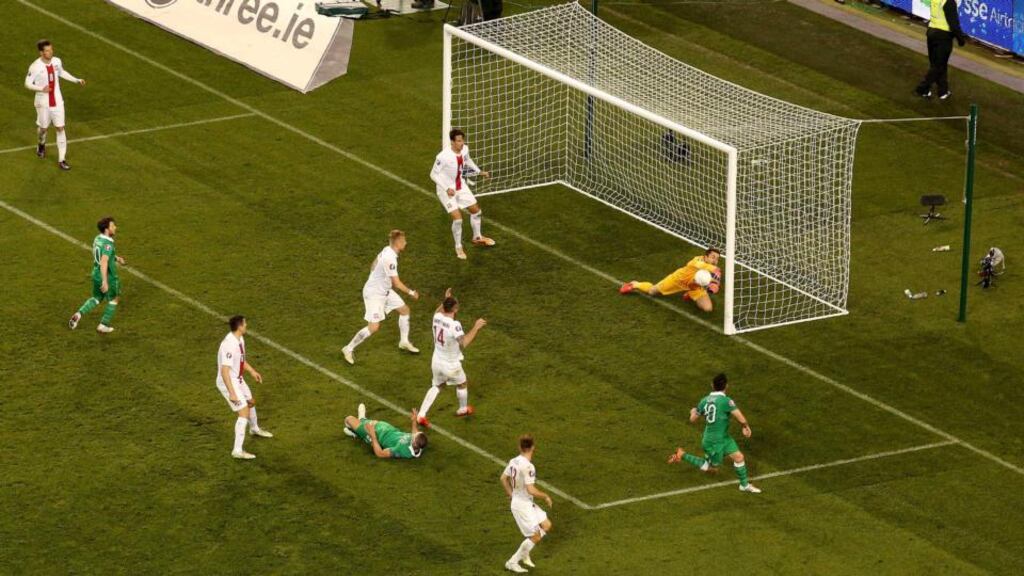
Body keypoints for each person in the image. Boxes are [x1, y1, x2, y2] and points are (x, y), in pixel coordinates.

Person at [668, 373, 760, 494]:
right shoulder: (726, 401)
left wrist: (693, 411)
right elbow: (739, 416)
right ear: (726, 386)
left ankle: (744, 485)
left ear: (712, 385)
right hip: (713, 442)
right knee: (712, 469)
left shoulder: (704, 400)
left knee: (739, 457)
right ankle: (682, 454)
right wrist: (745, 426)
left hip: (723, 438)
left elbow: (693, 419)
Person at [342, 230, 420, 365]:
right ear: (397, 243)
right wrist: (411, 292)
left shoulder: (387, 249)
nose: (406, 243)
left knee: (404, 310)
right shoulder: (390, 258)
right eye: (404, 241)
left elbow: (373, 265)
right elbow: (396, 283)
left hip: (384, 291)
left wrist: (376, 277)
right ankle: (348, 349)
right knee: (373, 327)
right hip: (374, 294)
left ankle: (404, 341)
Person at [416, 288, 487, 427]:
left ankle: (421, 415)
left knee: (437, 385)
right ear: (455, 309)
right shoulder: (455, 325)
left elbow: (438, 311)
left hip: (436, 360)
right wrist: (476, 327)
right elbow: (464, 343)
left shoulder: (437, 317)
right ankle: (462, 409)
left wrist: (445, 300)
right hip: (451, 364)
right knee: (462, 383)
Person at [215, 315, 273, 460]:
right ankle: (237, 450)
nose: (246, 325)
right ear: (239, 326)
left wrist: (252, 371)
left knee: (250, 401)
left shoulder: (239, 339)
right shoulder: (229, 345)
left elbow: (241, 360)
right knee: (243, 412)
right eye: (245, 323)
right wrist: (232, 393)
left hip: (237, 378)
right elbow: (224, 371)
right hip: (228, 381)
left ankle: (254, 429)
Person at [430, 128, 494, 260]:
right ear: (452, 142)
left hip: (461, 186)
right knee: (458, 219)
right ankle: (458, 247)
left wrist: (479, 172)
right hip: (446, 190)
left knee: (476, 211)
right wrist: (446, 188)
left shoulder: (465, 149)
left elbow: (468, 160)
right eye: (458, 141)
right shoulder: (443, 156)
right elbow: (433, 174)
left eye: (462, 140)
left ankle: (477, 237)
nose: (461, 143)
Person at [25, 39, 85, 170]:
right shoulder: (35, 66)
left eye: (51, 49)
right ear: (41, 53)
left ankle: (62, 160)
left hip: (57, 101)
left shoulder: (57, 61)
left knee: (60, 128)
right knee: (43, 129)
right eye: (47, 50)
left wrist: (76, 80)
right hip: (43, 103)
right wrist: (41, 89)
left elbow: (61, 72)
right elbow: (27, 83)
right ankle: (41, 144)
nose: (50, 52)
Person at [501, 435, 553, 573]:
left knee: (546, 525)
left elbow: (503, 478)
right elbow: (531, 490)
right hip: (522, 506)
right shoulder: (529, 466)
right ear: (533, 447)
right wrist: (545, 496)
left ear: (520, 447)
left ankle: (525, 552)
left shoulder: (513, 461)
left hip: (525, 502)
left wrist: (511, 494)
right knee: (535, 536)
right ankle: (512, 562)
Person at [619, 247, 722, 313]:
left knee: (708, 309)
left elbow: (716, 276)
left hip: (694, 287)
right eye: (713, 257)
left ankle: (690, 294)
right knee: (651, 291)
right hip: (677, 281)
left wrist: (715, 283)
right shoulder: (696, 261)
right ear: (705, 256)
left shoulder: (713, 268)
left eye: (717, 259)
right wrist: (715, 271)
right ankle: (635, 284)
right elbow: (705, 267)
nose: (715, 261)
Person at [69, 217, 125, 334]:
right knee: (114, 299)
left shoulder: (98, 238)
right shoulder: (108, 244)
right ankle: (103, 325)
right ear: (106, 229)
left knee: (97, 298)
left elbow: (102, 254)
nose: (115, 228)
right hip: (108, 276)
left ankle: (78, 314)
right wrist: (105, 281)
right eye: (112, 226)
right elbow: (104, 261)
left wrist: (116, 258)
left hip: (96, 274)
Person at [914, 0, 967, 100]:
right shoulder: (949, 2)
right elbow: (953, 24)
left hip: (931, 33)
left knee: (938, 64)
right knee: (938, 66)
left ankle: (943, 91)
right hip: (943, 37)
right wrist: (961, 39)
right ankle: (922, 88)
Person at [344, 404, 428, 459]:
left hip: (378, 434)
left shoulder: (401, 450)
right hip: (386, 428)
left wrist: (373, 435)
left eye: (414, 436)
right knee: (364, 422)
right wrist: (414, 420)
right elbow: (415, 432)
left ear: (414, 443)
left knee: (348, 419)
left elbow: (380, 454)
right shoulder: (419, 444)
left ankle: (356, 432)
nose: (414, 433)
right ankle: (362, 419)